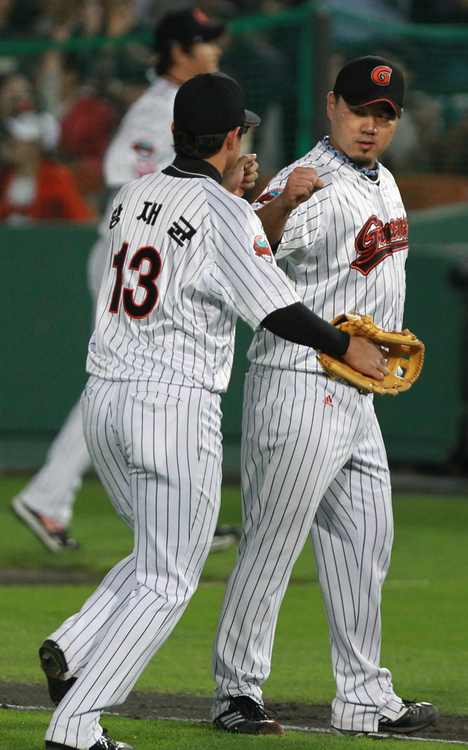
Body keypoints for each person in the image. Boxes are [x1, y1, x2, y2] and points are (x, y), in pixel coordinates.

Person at [37, 71, 385, 750]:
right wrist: (347, 344)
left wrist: (235, 197)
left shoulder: (135, 192)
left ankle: (75, 646)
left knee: (153, 557)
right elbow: (275, 307)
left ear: (175, 133)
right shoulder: (226, 214)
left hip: (105, 403)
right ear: (232, 137)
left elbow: (191, 243)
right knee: (170, 578)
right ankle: (77, 723)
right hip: (169, 408)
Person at [210, 56, 440, 737]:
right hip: (300, 383)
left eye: (384, 115)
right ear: (332, 105)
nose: (370, 126)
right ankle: (237, 691)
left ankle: (364, 697)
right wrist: (281, 204)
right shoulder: (308, 183)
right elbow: (254, 250)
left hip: (358, 397)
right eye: (360, 110)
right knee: (274, 544)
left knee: (365, 544)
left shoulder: (385, 182)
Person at [10, 7, 240, 553]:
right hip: (135, 256)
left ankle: (56, 496)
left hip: (153, 257)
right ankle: (147, 513)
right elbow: (125, 182)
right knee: (134, 381)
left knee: (129, 382)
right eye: (205, 44)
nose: (215, 52)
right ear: (179, 52)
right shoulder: (156, 110)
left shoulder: (184, 107)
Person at [0, 110, 95, 223]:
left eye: (18, 141)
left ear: (37, 147)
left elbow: (79, 219)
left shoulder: (56, 177)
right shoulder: (7, 176)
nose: (11, 144)